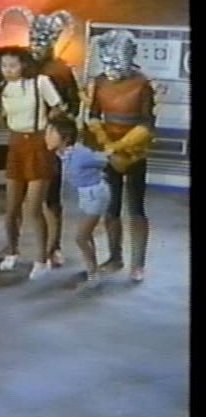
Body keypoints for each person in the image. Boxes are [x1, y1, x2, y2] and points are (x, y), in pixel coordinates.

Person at [0, 7, 81, 266]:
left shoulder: (60, 70)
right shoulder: (20, 66)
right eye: (34, 39)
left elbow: (72, 106)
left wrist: (60, 135)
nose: (37, 45)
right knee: (15, 200)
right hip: (21, 140)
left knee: (50, 198)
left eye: (43, 41)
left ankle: (53, 248)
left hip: (48, 141)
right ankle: (12, 247)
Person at [85, 29, 155, 282]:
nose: (110, 67)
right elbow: (93, 115)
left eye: (115, 61)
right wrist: (105, 143)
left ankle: (138, 264)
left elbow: (147, 124)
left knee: (136, 207)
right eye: (105, 61)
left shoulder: (142, 84)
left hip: (135, 153)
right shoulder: (100, 82)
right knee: (111, 208)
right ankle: (115, 257)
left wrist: (120, 146)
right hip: (108, 152)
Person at [0, 46, 64, 280]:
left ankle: (41, 259)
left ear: (24, 65)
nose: (8, 70)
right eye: (4, 66)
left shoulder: (40, 82)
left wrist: (51, 132)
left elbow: (58, 107)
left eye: (13, 65)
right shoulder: (0, 88)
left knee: (33, 208)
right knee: (11, 208)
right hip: (16, 144)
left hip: (39, 143)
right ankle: (12, 251)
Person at [45, 117, 111, 292]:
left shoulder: (81, 154)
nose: (47, 137)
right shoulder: (62, 154)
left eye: (51, 133)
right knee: (86, 236)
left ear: (65, 138)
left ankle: (94, 275)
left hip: (95, 194)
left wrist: (109, 155)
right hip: (85, 194)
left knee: (81, 237)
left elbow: (105, 159)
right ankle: (92, 270)